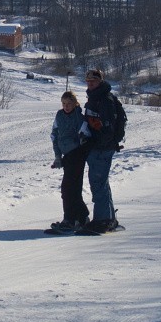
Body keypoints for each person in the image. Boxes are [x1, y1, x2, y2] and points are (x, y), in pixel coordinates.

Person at [79, 69, 120, 233]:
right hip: (98, 147)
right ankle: (108, 218)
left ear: (100, 81)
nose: (90, 83)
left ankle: (102, 220)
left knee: (98, 182)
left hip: (101, 148)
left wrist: (95, 142)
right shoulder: (95, 97)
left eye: (93, 81)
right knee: (101, 182)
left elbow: (107, 128)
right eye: (88, 81)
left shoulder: (104, 100)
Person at [48, 90, 89, 233]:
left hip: (77, 154)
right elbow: (54, 135)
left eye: (69, 103)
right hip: (66, 155)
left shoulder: (79, 116)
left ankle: (71, 219)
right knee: (70, 188)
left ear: (75, 103)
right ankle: (80, 217)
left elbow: (85, 134)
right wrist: (58, 156)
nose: (66, 106)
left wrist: (80, 144)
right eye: (64, 103)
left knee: (69, 188)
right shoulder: (59, 115)